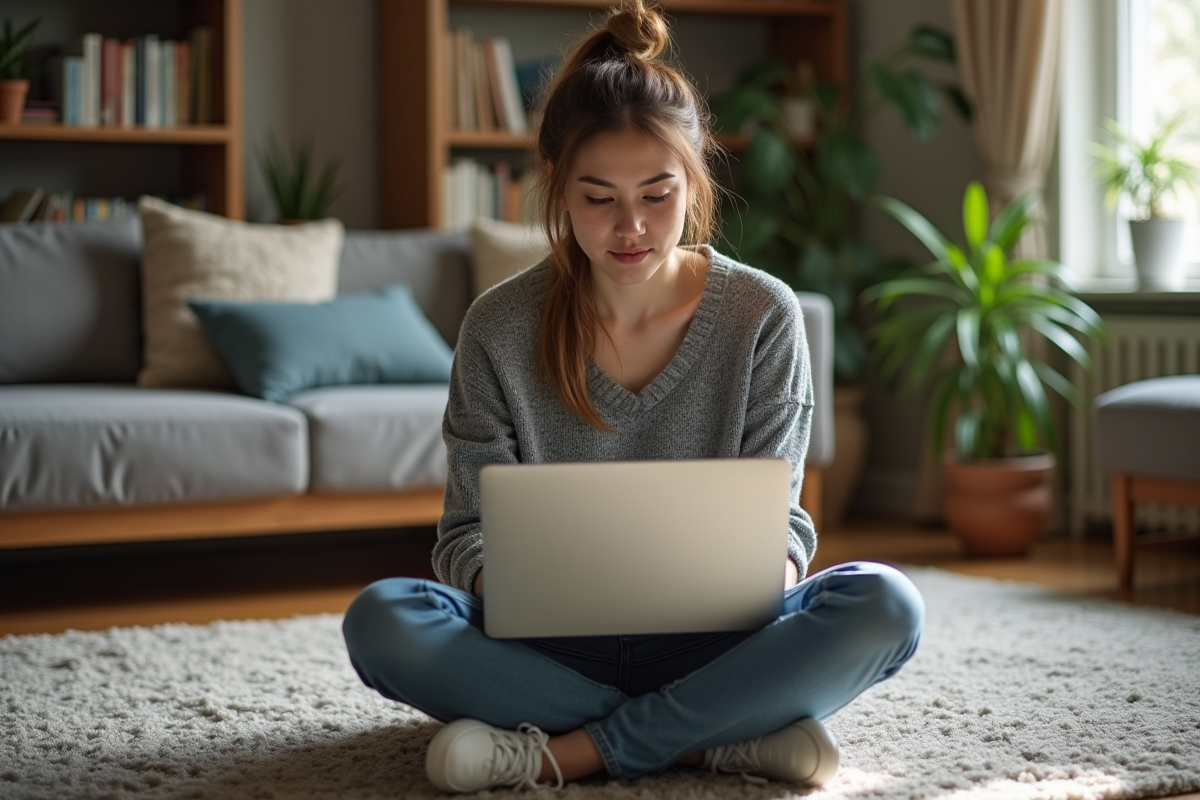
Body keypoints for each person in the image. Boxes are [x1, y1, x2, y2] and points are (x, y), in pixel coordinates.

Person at [342, 0, 924, 792]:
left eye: (657, 194)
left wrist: (768, 575)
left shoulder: (762, 316)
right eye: (598, 198)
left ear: (694, 181)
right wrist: (509, 587)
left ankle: (566, 750)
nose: (631, 228)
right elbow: (464, 536)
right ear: (555, 187)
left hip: (719, 638)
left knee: (886, 604)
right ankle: (715, 734)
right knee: (384, 622)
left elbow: (781, 522)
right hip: (546, 646)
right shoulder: (499, 326)